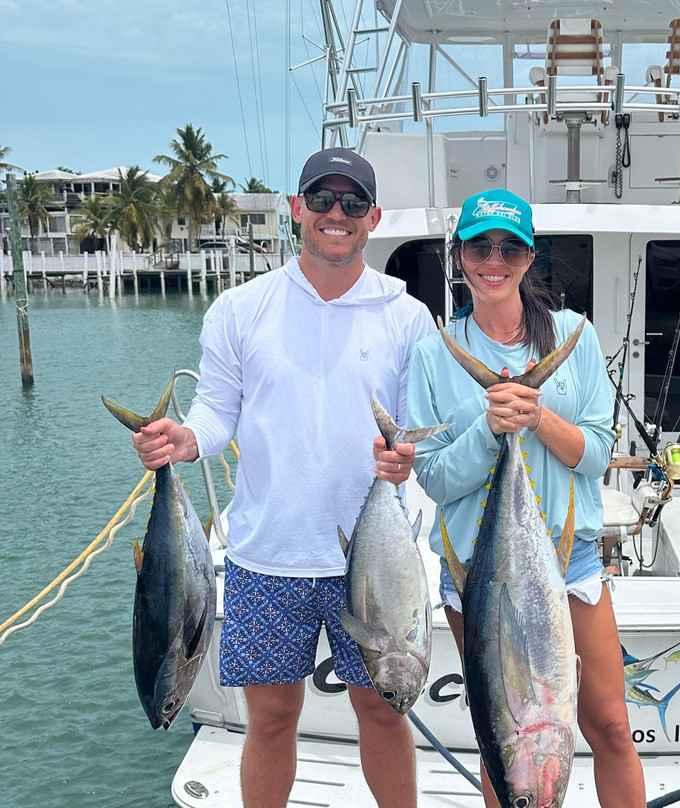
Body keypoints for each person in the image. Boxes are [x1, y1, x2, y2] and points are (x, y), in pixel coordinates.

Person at [129, 147, 433, 808]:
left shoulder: (407, 315)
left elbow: (415, 429)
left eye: (352, 203)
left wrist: (406, 459)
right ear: (297, 209)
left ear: (373, 217)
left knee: (385, 712)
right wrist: (185, 439)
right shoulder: (239, 310)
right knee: (269, 721)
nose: (336, 214)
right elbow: (215, 413)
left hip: (373, 563)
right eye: (321, 200)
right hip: (266, 558)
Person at [407, 189, 646, 807]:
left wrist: (535, 418)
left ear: (529, 255)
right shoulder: (434, 352)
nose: (494, 258)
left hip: (572, 562)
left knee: (612, 727)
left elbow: (595, 454)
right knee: (503, 731)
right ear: (458, 254)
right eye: (479, 245)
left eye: (508, 246)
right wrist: (490, 431)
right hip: (478, 571)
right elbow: (432, 478)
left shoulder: (573, 336)